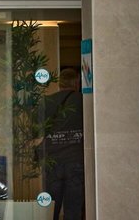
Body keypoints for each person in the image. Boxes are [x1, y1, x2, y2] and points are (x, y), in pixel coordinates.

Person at [41, 68, 84, 220]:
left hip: (52, 161)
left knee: (51, 208)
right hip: (76, 160)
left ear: (60, 83)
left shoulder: (47, 102)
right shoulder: (83, 100)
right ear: (77, 82)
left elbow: (37, 130)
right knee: (73, 209)